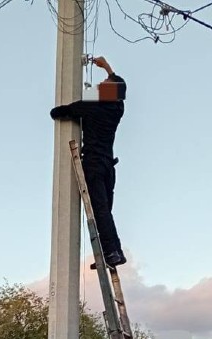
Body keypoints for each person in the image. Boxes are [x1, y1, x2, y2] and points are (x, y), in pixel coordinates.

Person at [50, 55, 127, 268]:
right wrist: (108, 69)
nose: (99, 86)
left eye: (103, 86)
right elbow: (120, 89)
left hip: (93, 164)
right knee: (105, 212)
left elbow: (57, 112)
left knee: (100, 210)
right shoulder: (117, 109)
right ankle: (113, 252)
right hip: (108, 167)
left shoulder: (90, 107)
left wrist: (70, 107)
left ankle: (110, 252)